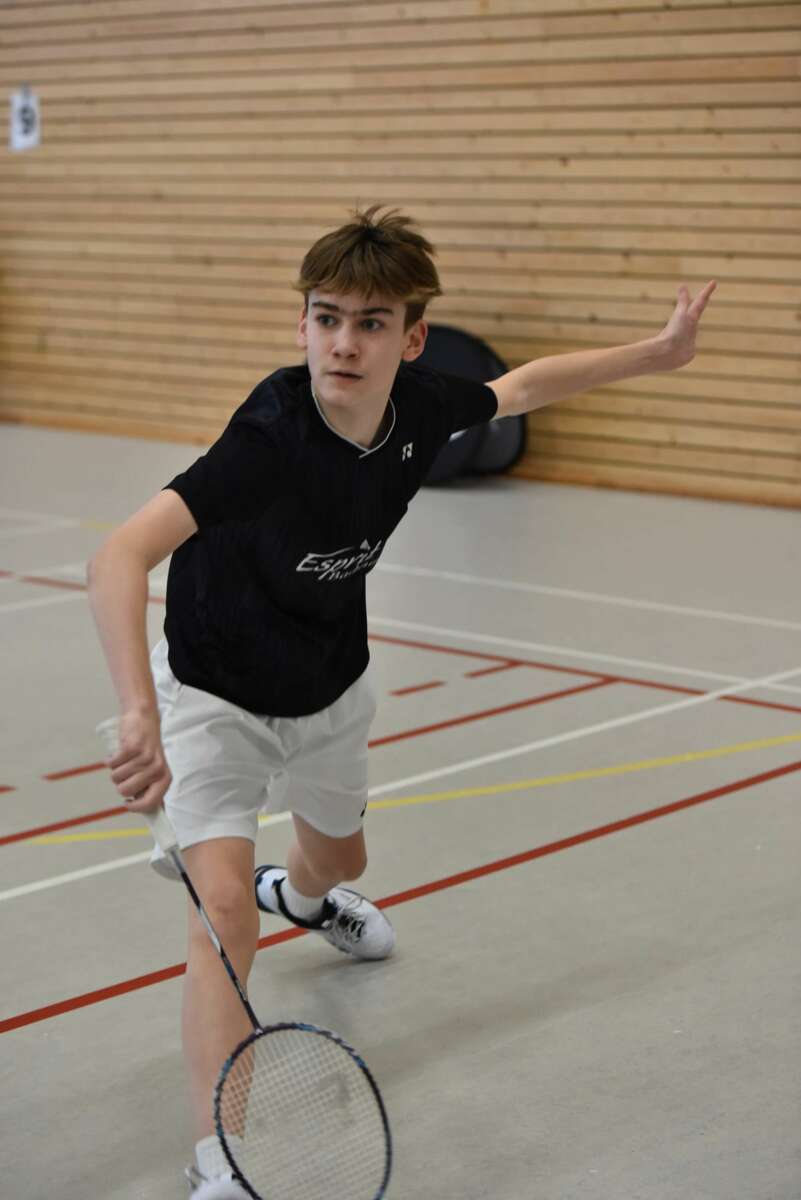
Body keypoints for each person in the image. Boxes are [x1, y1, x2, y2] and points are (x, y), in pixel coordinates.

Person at [87, 205, 716, 1197]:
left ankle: (302, 898)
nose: (344, 342)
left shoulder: (419, 410)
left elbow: (522, 387)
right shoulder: (267, 439)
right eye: (326, 318)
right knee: (222, 920)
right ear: (302, 324)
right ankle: (220, 1161)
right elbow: (121, 555)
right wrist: (136, 710)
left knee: (341, 863)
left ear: (411, 340)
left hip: (329, 684)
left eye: (371, 323)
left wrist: (659, 352)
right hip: (212, 692)